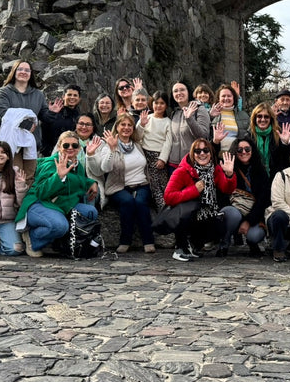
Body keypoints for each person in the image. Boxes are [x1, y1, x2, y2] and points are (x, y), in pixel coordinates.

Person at [16, 131, 100, 257]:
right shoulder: (51, 164)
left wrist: (91, 182)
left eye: (74, 145)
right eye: (66, 145)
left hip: (60, 204)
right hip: (40, 204)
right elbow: (41, 192)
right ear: (59, 147)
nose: (70, 148)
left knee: (90, 212)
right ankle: (33, 239)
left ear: (79, 148)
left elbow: (76, 180)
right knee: (60, 226)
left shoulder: (76, 165)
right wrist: (58, 177)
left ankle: (64, 243)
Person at [89, 113, 155, 253]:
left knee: (141, 202)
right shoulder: (108, 145)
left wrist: (141, 124)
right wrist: (112, 149)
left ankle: (148, 241)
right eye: (123, 125)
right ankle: (125, 241)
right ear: (117, 127)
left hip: (141, 184)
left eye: (129, 125)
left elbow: (141, 132)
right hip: (118, 187)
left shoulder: (137, 144)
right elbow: (105, 168)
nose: (126, 128)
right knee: (128, 202)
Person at [162, 138, 237, 261]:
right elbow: (168, 197)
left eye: (205, 150)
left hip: (204, 212)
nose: (202, 154)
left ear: (210, 153)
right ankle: (180, 247)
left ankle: (194, 245)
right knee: (188, 208)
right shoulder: (182, 171)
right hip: (183, 215)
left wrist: (229, 175)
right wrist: (193, 190)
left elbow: (227, 189)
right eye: (197, 151)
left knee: (220, 225)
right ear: (192, 154)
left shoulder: (215, 170)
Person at [220, 136, 273, 257]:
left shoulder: (260, 170)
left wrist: (248, 221)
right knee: (231, 214)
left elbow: (263, 200)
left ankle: (252, 244)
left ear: (252, 150)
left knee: (254, 235)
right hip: (233, 212)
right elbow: (223, 195)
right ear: (235, 152)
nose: (244, 152)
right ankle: (225, 242)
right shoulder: (229, 168)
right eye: (239, 150)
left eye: (247, 149)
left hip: (253, 215)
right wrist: (228, 175)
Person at [0, 60, 46, 181]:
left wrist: (52, 112)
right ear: (14, 72)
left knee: (29, 177)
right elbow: (4, 113)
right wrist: (27, 125)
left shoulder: (38, 94)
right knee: (14, 177)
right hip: (13, 142)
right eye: (20, 69)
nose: (23, 72)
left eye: (27, 70)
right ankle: (14, 200)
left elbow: (43, 114)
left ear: (31, 74)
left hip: (31, 142)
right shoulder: (4, 92)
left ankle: (27, 200)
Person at [137, 91, 173, 209]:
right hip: (145, 154)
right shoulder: (147, 118)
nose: (158, 106)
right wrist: (141, 125)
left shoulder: (168, 122)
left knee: (163, 183)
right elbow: (137, 136)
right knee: (153, 184)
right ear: (152, 104)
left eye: (162, 103)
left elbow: (168, 142)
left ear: (166, 105)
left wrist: (163, 159)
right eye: (156, 103)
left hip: (158, 156)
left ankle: (167, 208)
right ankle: (161, 208)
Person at [164, 81, 212, 167]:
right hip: (173, 163)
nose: (179, 93)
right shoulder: (174, 113)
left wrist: (189, 119)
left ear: (188, 92)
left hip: (193, 162)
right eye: (175, 91)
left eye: (182, 90)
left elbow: (203, 136)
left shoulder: (199, 109)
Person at [249, 101, 290, 175]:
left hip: (275, 178)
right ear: (254, 118)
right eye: (259, 116)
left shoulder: (278, 134)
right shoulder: (249, 136)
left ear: (271, 119)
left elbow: (288, 160)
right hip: (255, 178)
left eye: (266, 116)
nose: (263, 119)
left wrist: (286, 144)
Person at [39, 84, 83, 155]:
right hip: (48, 153)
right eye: (69, 94)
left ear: (79, 98)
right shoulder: (53, 110)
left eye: (75, 95)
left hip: (69, 152)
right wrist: (51, 113)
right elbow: (43, 123)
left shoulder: (78, 116)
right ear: (63, 96)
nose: (72, 97)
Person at [210, 83, 250, 153]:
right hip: (216, 155)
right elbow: (204, 133)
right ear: (218, 99)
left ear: (234, 98)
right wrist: (210, 116)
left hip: (237, 156)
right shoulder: (211, 114)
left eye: (229, 96)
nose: (226, 98)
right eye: (223, 96)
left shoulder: (243, 116)